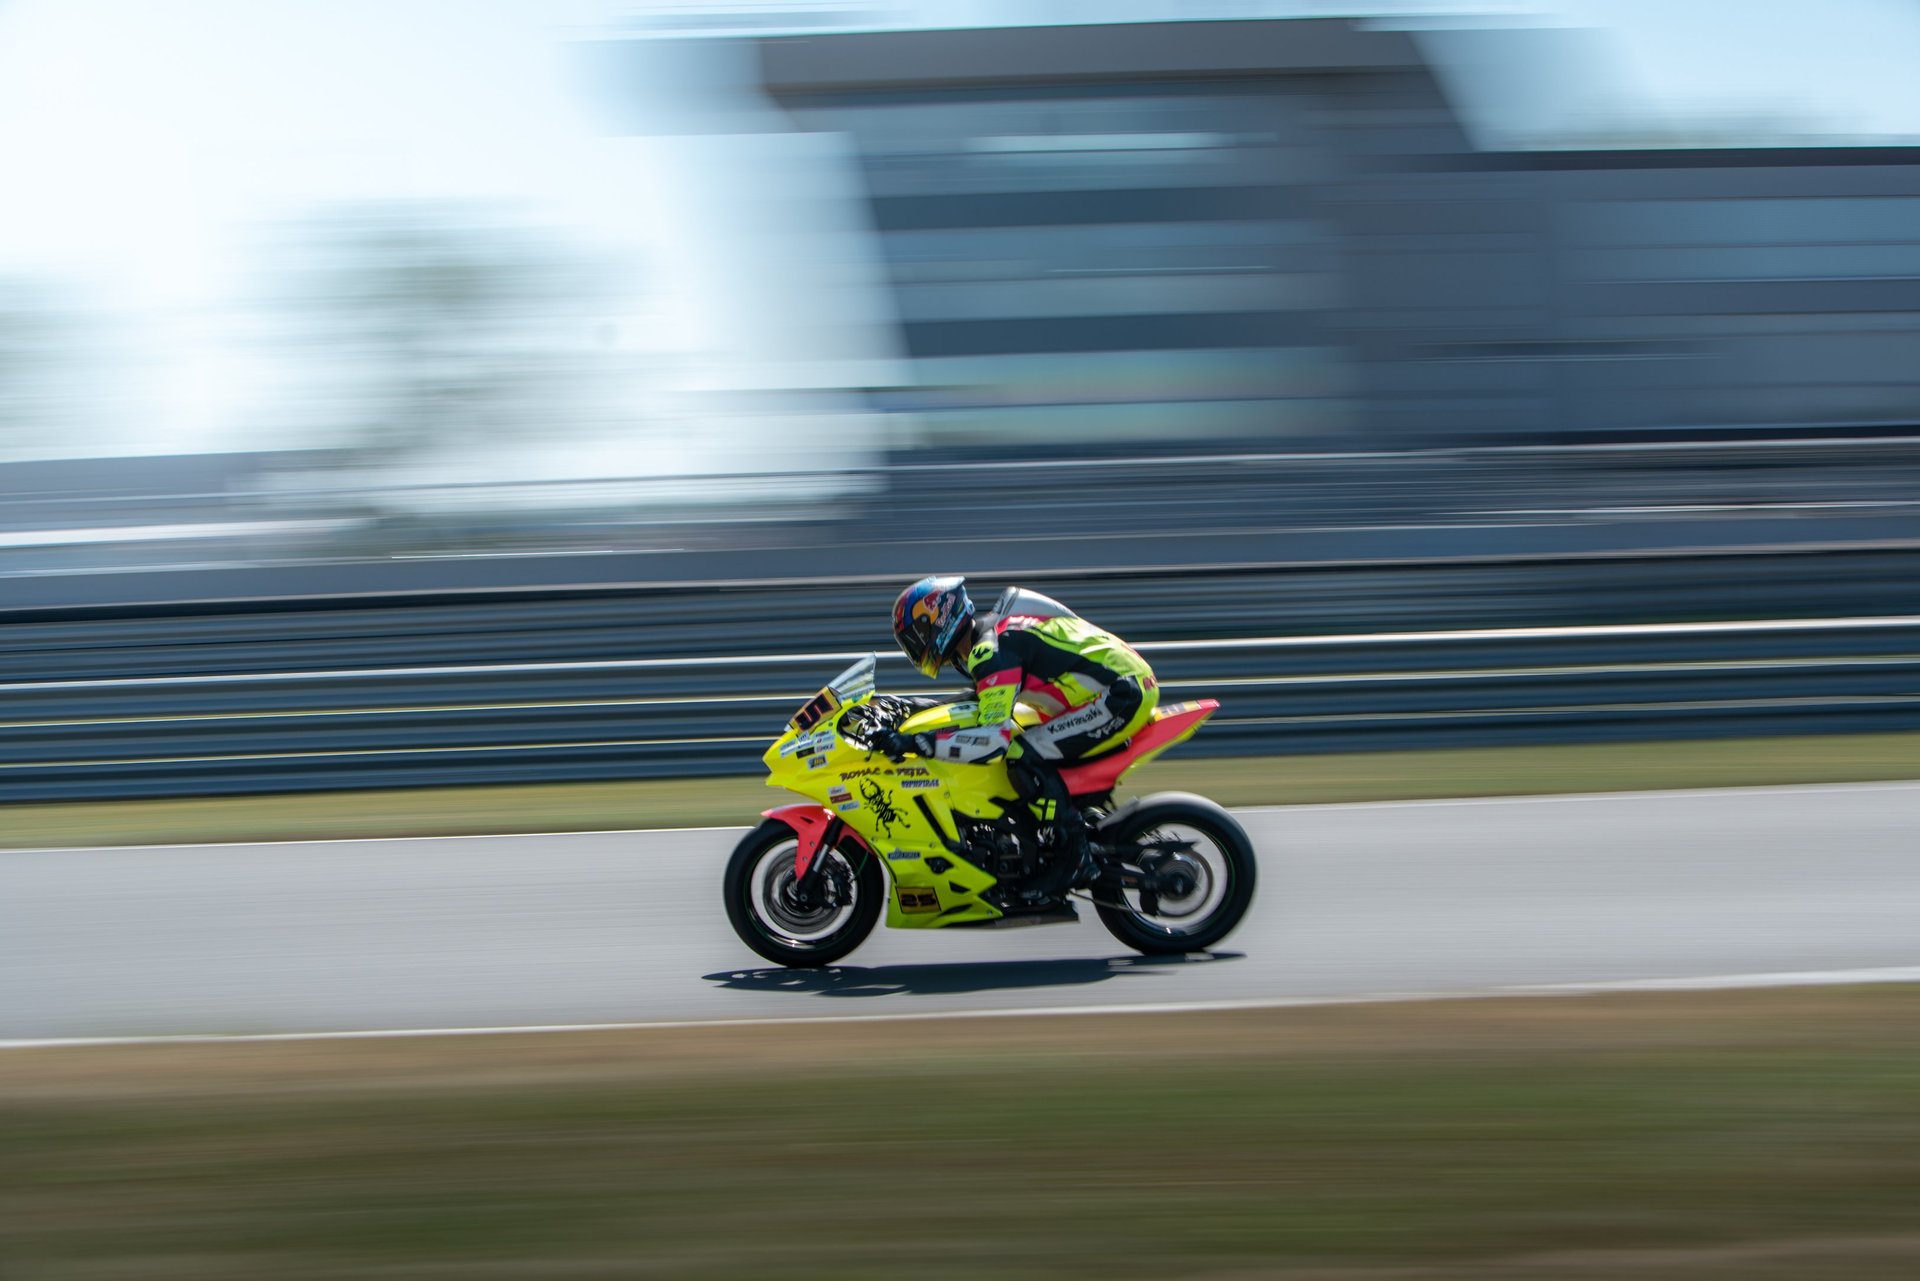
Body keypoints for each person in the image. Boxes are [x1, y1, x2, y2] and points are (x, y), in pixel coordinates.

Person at [877, 575, 1158, 899]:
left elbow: (993, 740)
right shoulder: (980, 642)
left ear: (940, 618)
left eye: (917, 634)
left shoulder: (990, 648)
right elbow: (978, 699)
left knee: (1023, 754)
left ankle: (1075, 858)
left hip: (1120, 693)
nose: (915, 644)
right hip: (1093, 694)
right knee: (1025, 744)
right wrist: (907, 710)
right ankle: (1064, 827)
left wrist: (918, 743)